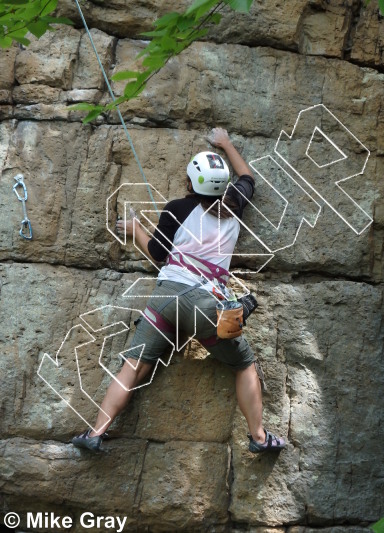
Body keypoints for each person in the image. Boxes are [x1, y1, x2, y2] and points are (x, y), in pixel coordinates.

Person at [72, 128, 286, 454]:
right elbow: (247, 177)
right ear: (222, 184)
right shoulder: (234, 205)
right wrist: (225, 144)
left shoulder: (176, 208)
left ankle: (95, 432)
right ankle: (258, 437)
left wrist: (134, 230)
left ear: (190, 183)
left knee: (134, 365)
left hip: (166, 297)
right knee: (244, 364)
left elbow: (158, 255)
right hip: (205, 307)